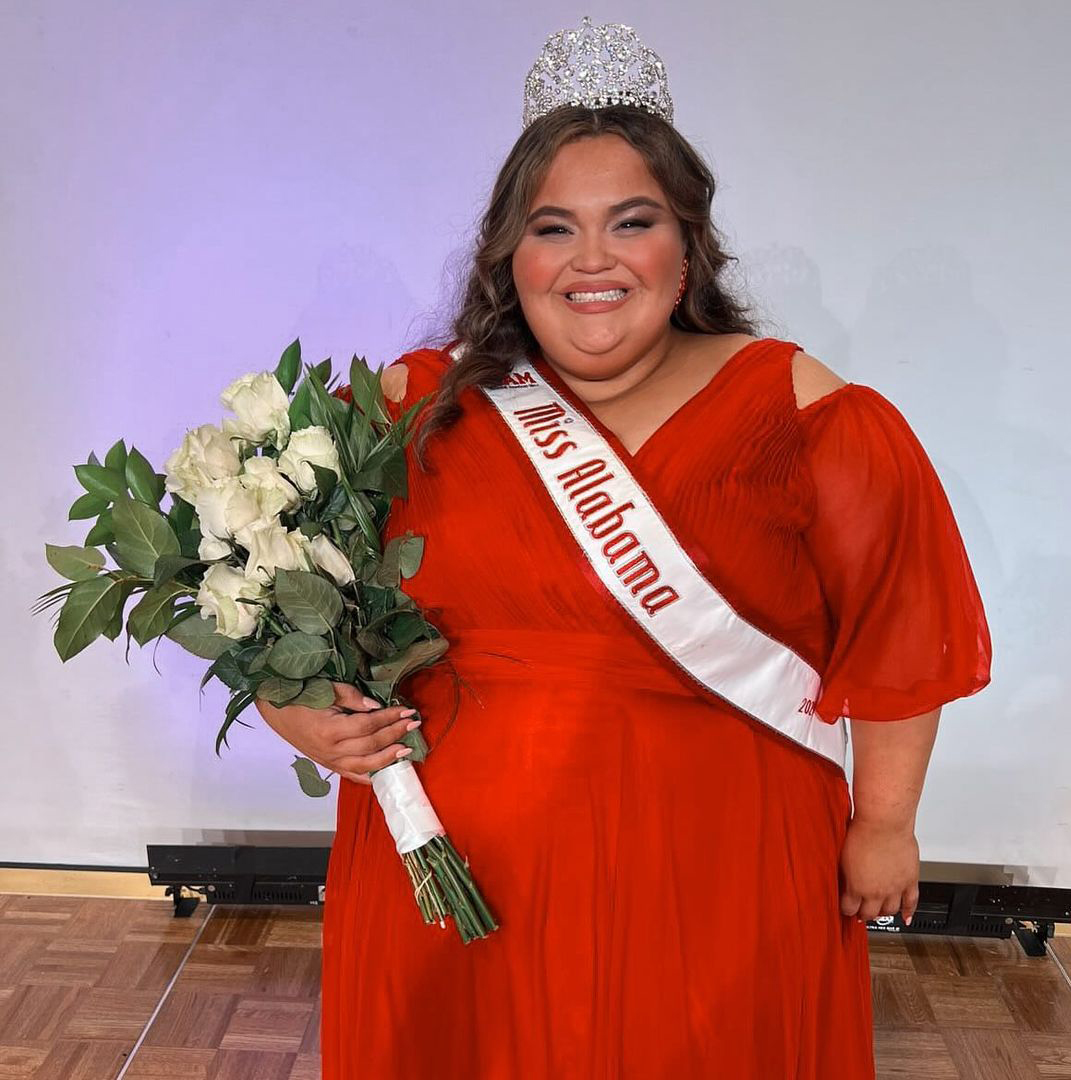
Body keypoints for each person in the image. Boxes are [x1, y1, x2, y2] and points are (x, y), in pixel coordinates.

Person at [256, 16, 991, 1079]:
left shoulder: (800, 408)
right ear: (510, 255)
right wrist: (291, 709)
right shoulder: (409, 406)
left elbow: (899, 622)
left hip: (722, 884)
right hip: (457, 881)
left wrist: (885, 822)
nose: (591, 260)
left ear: (686, 246)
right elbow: (268, 592)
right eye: (553, 228)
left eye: (631, 222)